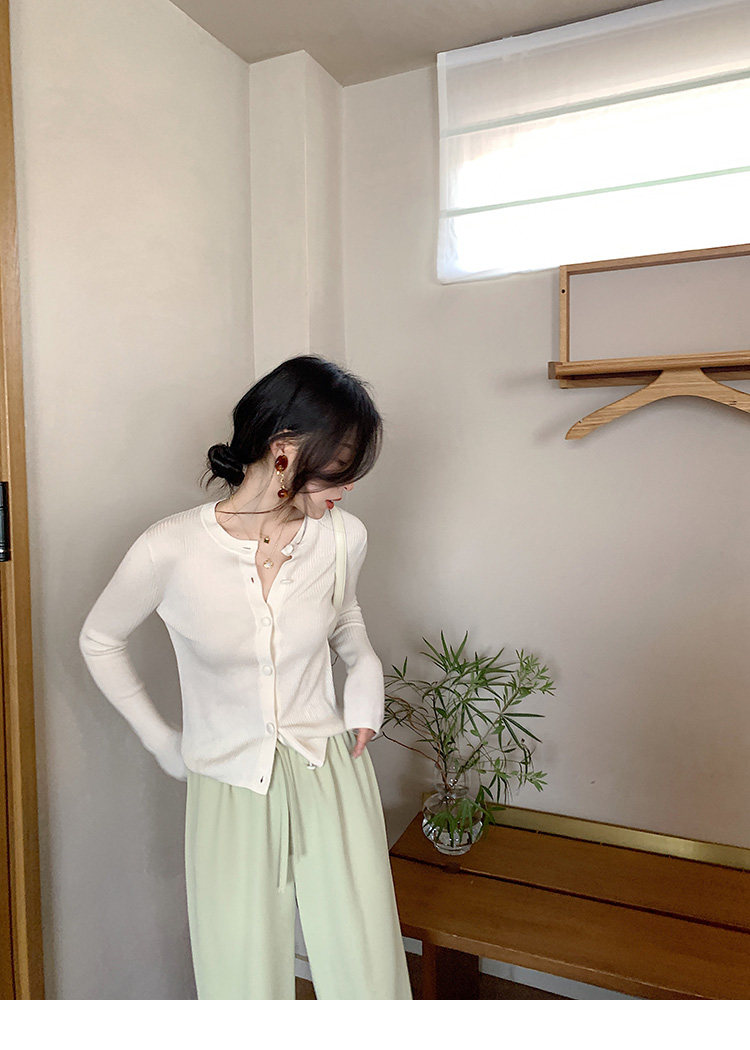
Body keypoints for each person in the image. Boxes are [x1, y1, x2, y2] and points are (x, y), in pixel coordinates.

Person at [78, 354, 413, 1000]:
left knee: (366, 963)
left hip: (329, 765)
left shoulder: (343, 538)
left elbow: (344, 620)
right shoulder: (170, 548)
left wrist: (365, 676)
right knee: (240, 976)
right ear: (285, 450)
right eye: (341, 466)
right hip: (228, 782)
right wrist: (161, 740)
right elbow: (99, 639)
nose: (347, 488)